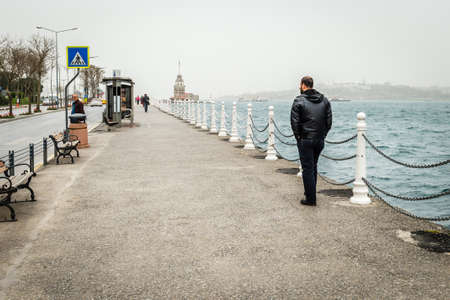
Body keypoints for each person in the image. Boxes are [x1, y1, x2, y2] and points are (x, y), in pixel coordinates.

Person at [290, 76, 332, 206]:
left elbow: (294, 122)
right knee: (313, 166)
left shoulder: (298, 100)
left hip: (306, 139)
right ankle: (310, 192)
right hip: (319, 139)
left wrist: (299, 137)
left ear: (303, 85)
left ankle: (311, 199)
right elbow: (329, 122)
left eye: (300, 85)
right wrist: (323, 135)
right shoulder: (324, 100)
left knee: (307, 168)